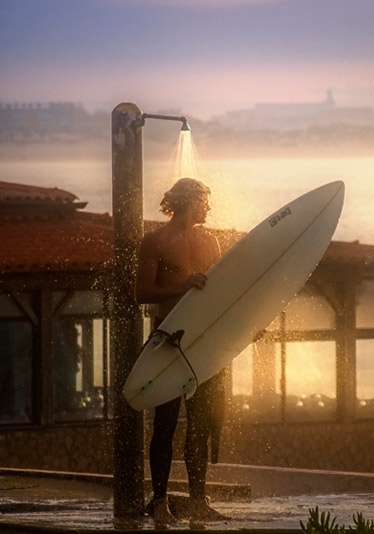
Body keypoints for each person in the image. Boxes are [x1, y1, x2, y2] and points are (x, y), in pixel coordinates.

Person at [135, 178, 228, 524]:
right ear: (188, 202)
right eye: (204, 201)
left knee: (200, 425)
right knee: (165, 424)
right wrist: (182, 285)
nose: (208, 207)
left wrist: (244, 324)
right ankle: (160, 502)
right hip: (167, 339)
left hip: (203, 341)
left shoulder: (210, 241)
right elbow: (141, 292)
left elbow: (219, 293)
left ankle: (199, 501)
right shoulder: (155, 241)